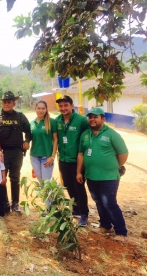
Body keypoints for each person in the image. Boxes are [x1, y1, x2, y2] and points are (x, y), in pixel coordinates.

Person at [76, 108, 129, 240]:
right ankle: (105, 225)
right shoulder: (85, 134)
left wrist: (116, 166)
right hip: (91, 175)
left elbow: (123, 153)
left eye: (96, 117)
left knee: (109, 202)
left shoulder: (111, 134)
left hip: (109, 177)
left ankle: (121, 232)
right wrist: (78, 171)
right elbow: (81, 153)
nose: (92, 120)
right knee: (99, 201)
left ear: (103, 119)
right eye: (90, 117)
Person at [0, 91, 31, 213]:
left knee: (15, 178)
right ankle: (5, 204)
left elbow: (29, 131)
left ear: (14, 103)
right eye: (4, 102)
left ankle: (15, 203)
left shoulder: (20, 116)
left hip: (16, 152)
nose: (6, 104)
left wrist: (27, 141)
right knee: (1, 178)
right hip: (2, 153)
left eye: (9, 102)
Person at [55, 95, 89, 226]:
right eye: (61, 106)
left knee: (79, 186)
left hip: (77, 161)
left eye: (65, 105)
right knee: (68, 185)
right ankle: (75, 209)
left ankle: (84, 214)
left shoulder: (81, 121)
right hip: (63, 159)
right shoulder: (57, 121)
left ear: (71, 106)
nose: (63, 108)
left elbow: (89, 136)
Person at [30, 100, 58, 183]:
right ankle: (48, 197)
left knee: (46, 184)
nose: (41, 110)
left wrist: (52, 157)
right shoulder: (32, 123)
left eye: (43, 108)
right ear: (35, 109)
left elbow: (56, 139)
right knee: (41, 184)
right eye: (38, 108)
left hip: (46, 158)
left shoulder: (52, 122)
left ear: (46, 109)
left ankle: (51, 197)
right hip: (34, 157)